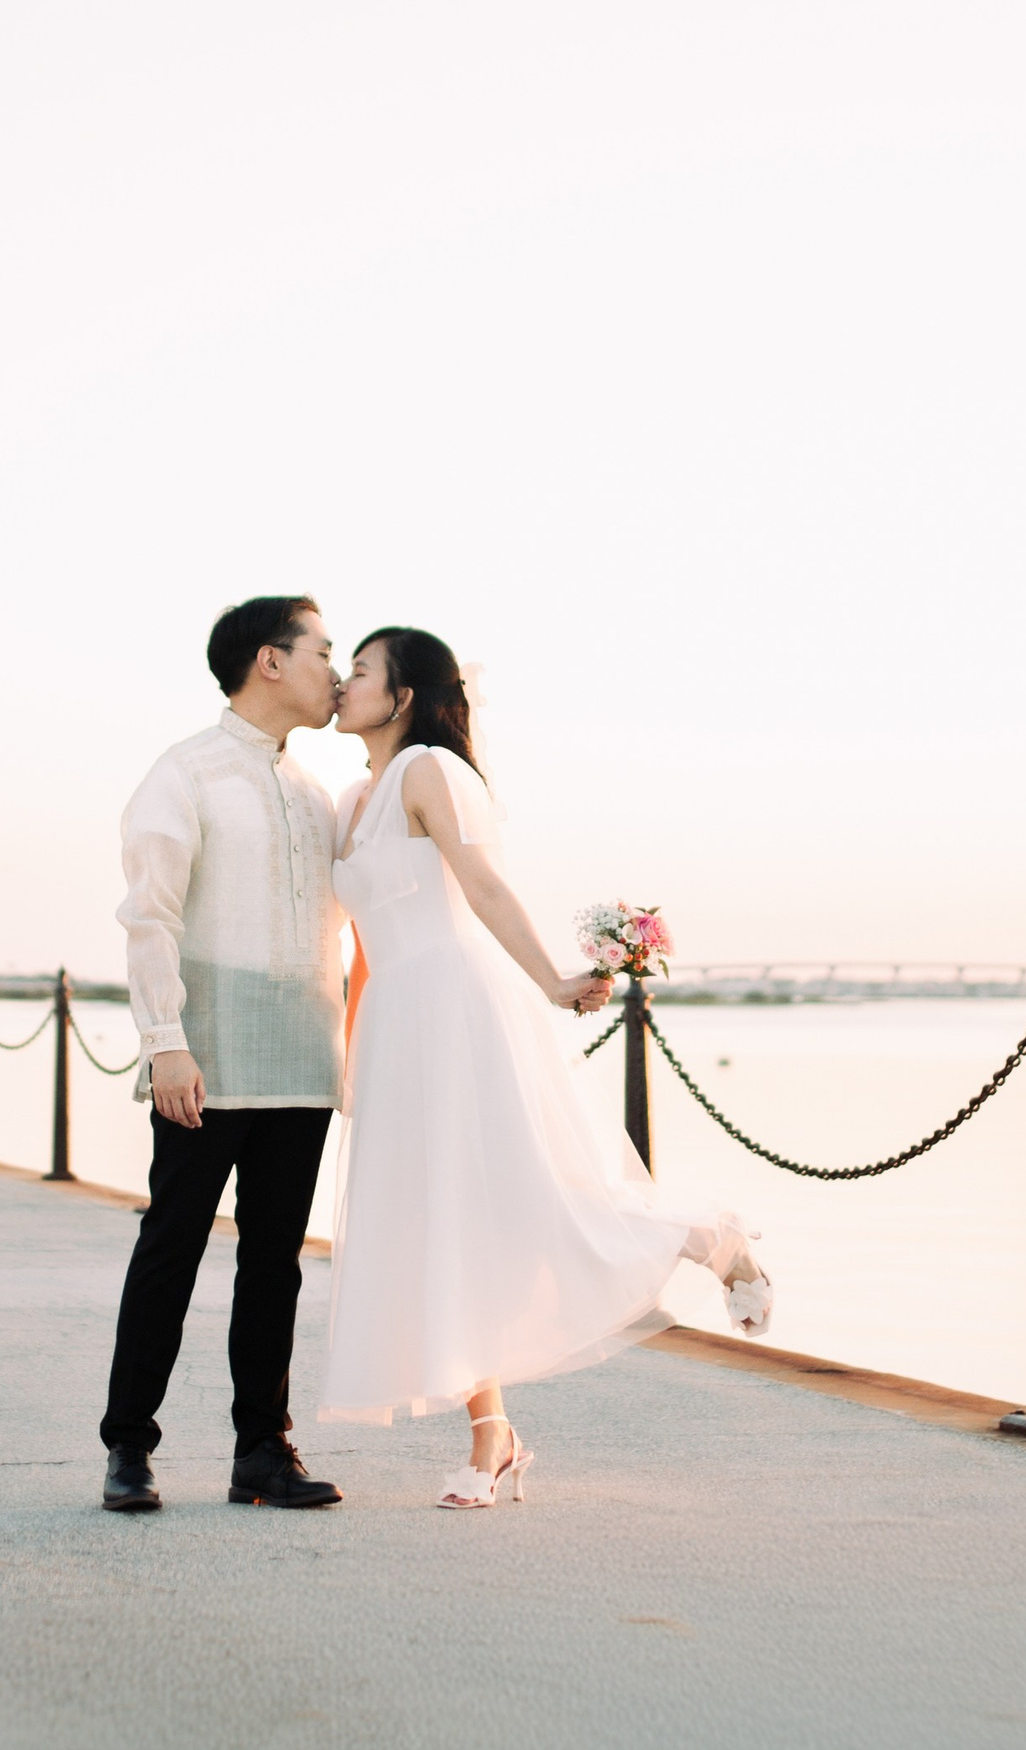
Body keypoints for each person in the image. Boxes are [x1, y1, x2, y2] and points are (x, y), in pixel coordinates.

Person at [323, 625, 770, 1505]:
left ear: (403, 694)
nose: (343, 682)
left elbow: (483, 885)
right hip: (393, 1026)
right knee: (426, 1228)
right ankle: (493, 1436)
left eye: (362, 671)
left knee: (533, 1194)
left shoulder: (426, 771)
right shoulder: (350, 800)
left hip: (456, 1006)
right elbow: (362, 941)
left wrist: (558, 981)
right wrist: (348, 1043)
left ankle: (708, 1237)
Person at [99, 595, 351, 1513]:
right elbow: (149, 915)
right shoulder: (187, 773)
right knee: (170, 1245)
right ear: (269, 661)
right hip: (205, 1054)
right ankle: (129, 1445)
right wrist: (166, 1041)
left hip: (301, 1055)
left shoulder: (315, 793)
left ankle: (262, 1449)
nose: (337, 667)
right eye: (323, 650)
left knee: (276, 1259)